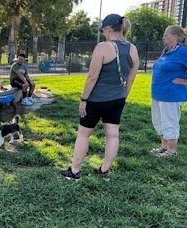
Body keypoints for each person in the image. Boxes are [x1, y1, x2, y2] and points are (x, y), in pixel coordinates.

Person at [58, 14, 139, 180]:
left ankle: (74, 172)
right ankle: (104, 171)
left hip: (96, 100)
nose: (103, 33)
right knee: (113, 135)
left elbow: (92, 77)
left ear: (109, 29)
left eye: (103, 30)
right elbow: (131, 77)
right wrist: (123, 96)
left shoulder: (103, 47)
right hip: (118, 99)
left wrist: (83, 100)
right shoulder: (133, 48)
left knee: (83, 134)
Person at [150, 25, 187, 157]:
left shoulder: (182, 51)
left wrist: (186, 81)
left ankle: (172, 151)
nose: (163, 37)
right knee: (159, 121)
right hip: (159, 93)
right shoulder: (166, 50)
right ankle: (164, 148)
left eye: (166, 35)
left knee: (169, 122)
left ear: (176, 36)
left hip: (172, 95)